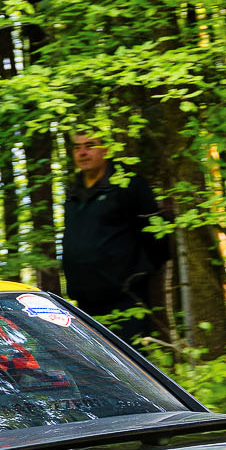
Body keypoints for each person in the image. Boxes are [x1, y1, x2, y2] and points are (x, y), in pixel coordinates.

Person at [61, 133, 172, 341]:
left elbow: (157, 236)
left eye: (90, 145)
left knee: (131, 358)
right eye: (77, 147)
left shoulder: (128, 185)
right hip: (84, 302)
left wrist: (136, 275)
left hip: (126, 300)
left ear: (105, 150)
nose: (82, 152)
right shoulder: (73, 191)